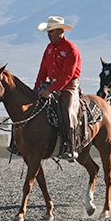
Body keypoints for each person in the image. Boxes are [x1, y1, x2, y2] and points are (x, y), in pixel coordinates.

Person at [34, 16, 82, 160]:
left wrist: (51, 89)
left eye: (52, 31)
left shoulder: (71, 49)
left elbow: (68, 74)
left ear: (61, 31)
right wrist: (36, 89)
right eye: (48, 31)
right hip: (51, 85)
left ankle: (70, 146)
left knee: (66, 110)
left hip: (69, 87)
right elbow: (42, 71)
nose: (49, 34)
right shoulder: (48, 49)